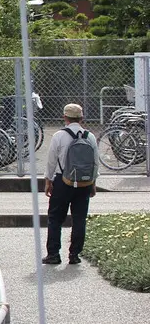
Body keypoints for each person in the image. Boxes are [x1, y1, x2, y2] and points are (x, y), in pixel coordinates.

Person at [42, 103, 100, 265]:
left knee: (55, 218)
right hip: (84, 182)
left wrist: (48, 181)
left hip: (63, 180)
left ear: (65, 117)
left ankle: (53, 254)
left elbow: (51, 161)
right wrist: (93, 183)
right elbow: (95, 162)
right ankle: (74, 255)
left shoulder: (59, 136)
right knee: (79, 218)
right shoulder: (90, 136)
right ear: (82, 118)